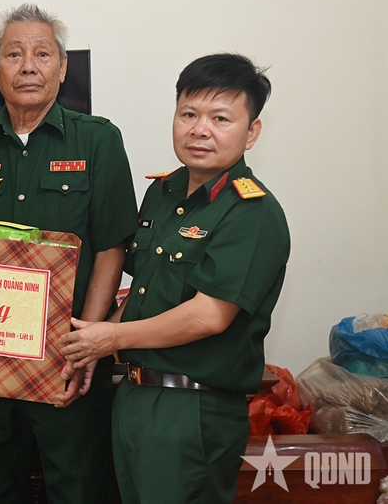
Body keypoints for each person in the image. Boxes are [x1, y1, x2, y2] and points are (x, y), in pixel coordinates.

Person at [61, 53, 291, 504]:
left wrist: (110, 338)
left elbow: (209, 315)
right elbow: (144, 291)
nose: (200, 129)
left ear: (251, 132)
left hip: (192, 409)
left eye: (220, 118)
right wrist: (91, 341)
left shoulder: (253, 212)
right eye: (188, 114)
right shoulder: (161, 193)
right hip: (134, 396)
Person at [0, 4, 138, 504]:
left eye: (42, 54)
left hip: (66, 361)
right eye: (14, 54)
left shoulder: (98, 140)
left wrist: (86, 344)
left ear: (62, 67)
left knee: (78, 488)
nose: (28, 66)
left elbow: (111, 245)